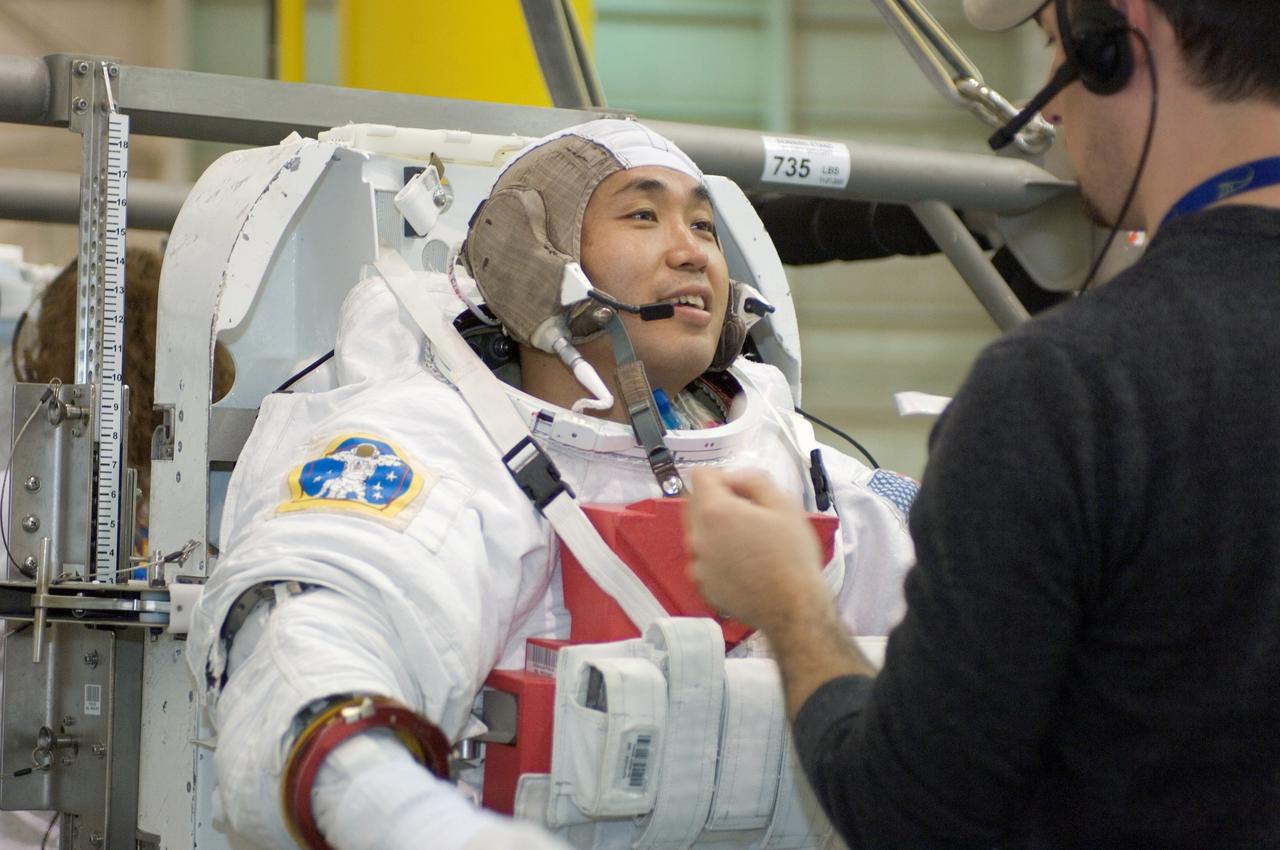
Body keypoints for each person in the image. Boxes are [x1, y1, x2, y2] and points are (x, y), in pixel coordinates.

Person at [185, 119, 918, 850]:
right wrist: (420, 823)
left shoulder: (793, 464)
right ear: (530, 256)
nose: (692, 250)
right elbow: (310, 648)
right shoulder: (436, 448)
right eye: (644, 214)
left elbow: (955, 630)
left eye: (703, 225)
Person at [684, 1, 1280, 848]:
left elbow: (909, 811)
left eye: (1054, 49)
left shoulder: (1064, 393)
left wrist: (789, 603)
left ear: (1117, 37)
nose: (1052, 105)